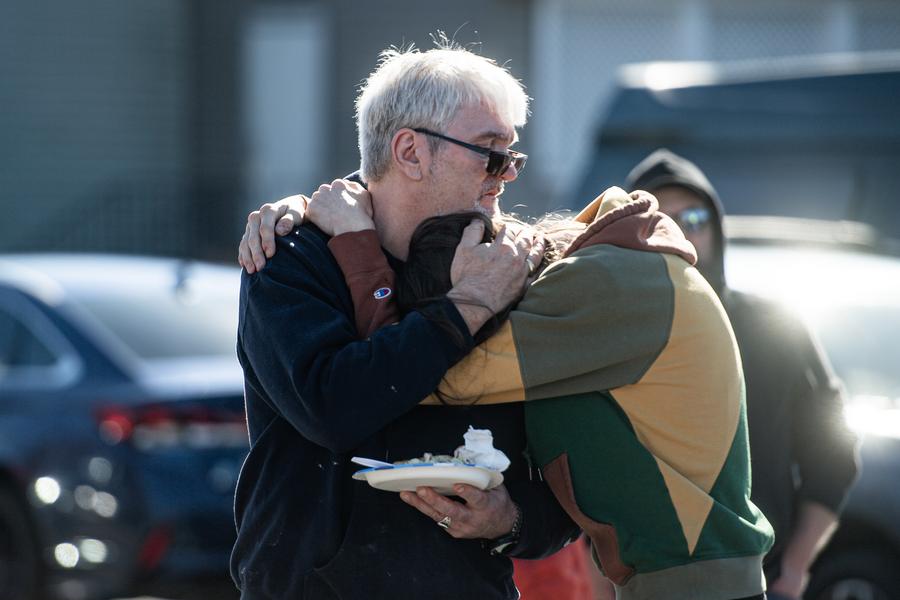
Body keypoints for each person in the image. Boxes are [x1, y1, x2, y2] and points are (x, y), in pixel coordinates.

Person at [293, 181, 775, 600]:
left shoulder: (601, 282)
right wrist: (299, 217)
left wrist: (356, 244)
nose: (474, 328)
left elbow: (429, 378)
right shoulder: (611, 269)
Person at [232, 42, 579, 600]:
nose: (506, 175)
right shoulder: (289, 254)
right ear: (410, 152)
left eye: (513, 156)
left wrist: (511, 520)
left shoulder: (510, 265)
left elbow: (570, 479)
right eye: (490, 153)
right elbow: (332, 406)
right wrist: (469, 307)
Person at [625, 149, 860, 600]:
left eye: (694, 218)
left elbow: (834, 456)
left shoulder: (775, 327)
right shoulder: (611, 337)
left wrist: (794, 571)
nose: (680, 233)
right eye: (659, 220)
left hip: (757, 581)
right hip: (643, 584)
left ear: (716, 228)